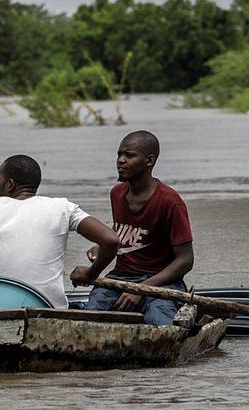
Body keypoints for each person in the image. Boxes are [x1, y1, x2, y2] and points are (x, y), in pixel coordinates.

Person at [0, 153, 119, 308]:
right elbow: (110, 240)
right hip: (49, 309)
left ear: (9, 185)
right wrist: (91, 274)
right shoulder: (63, 208)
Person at [72, 130, 193, 326]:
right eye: (119, 154)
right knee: (89, 318)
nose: (120, 160)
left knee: (161, 323)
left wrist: (141, 289)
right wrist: (103, 248)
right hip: (120, 278)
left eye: (129, 155)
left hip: (160, 282)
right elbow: (127, 234)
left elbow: (186, 260)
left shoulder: (170, 202)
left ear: (149, 160)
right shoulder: (117, 193)